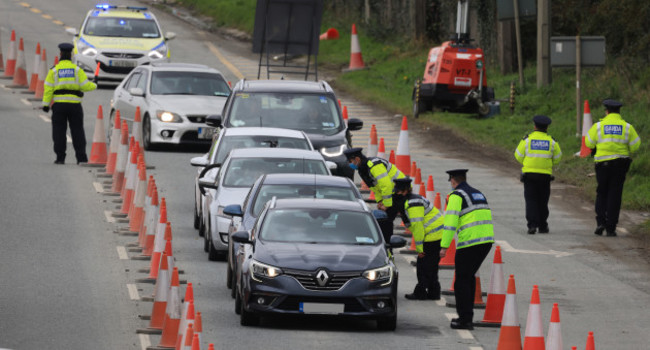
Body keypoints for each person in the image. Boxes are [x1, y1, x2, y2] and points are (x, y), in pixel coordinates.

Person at [440, 169, 494, 330]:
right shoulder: (478, 193)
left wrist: (444, 246)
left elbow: (450, 223)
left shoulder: (456, 196)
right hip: (486, 241)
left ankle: (464, 320)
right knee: (468, 278)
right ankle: (467, 317)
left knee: (462, 281)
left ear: (453, 181)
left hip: (470, 242)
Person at [585, 99, 641, 236]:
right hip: (620, 165)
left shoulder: (599, 126)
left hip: (602, 165)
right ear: (619, 112)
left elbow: (589, 142)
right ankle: (611, 228)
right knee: (615, 195)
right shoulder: (627, 127)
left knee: (602, 192)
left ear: (607, 111)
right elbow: (635, 146)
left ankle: (600, 223)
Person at [42, 43, 97, 164]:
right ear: (71, 55)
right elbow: (85, 86)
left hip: (59, 106)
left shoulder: (54, 70)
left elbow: (48, 88)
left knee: (59, 131)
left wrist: (45, 104)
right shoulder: (77, 70)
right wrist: (95, 84)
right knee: (77, 131)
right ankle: (81, 158)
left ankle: (60, 158)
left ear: (60, 54)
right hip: (75, 106)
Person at [393, 178, 444, 301]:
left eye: (398, 192)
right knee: (431, 266)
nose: (396, 194)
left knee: (423, 266)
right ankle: (433, 293)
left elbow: (417, 226)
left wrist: (420, 248)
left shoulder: (413, 203)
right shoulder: (412, 199)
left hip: (433, 236)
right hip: (437, 234)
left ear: (405, 191)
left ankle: (420, 293)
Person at [343, 147, 405, 242]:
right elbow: (375, 187)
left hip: (399, 191)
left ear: (357, 159)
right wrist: (380, 201)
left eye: (350, 161)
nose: (349, 164)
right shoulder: (362, 169)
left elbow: (386, 185)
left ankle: (388, 244)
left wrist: (387, 204)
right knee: (384, 220)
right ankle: (387, 242)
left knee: (386, 220)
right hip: (391, 193)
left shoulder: (374, 166)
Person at [514, 115, 562, 234]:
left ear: (534, 126)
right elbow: (558, 157)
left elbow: (518, 155)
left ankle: (532, 225)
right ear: (547, 127)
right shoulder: (552, 141)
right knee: (543, 201)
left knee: (531, 200)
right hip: (545, 176)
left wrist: (527, 163)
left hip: (529, 176)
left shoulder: (527, 140)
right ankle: (542, 226)